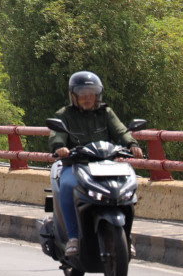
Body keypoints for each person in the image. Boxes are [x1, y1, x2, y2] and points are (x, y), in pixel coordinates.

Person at [49, 71, 143, 261]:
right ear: (73, 95)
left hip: (106, 164)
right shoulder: (64, 115)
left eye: (91, 93)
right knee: (67, 186)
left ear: (97, 94)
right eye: (83, 93)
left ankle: (127, 236)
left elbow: (121, 131)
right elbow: (56, 135)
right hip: (76, 165)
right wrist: (60, 147)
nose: (87, 98)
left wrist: (132, 144)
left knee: (130, 185)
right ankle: (73, 238)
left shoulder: (106, 112)